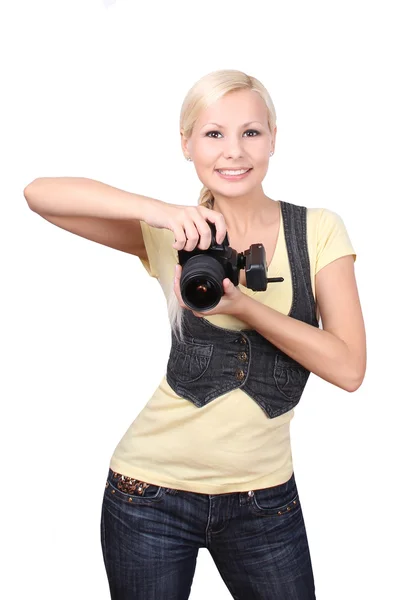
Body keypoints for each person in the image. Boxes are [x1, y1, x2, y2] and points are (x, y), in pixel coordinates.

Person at [24, 69, 366, 600]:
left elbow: (348, 368)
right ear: (186, 144)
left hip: (264, 500)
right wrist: (160, 213)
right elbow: (40, 194)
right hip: (149, 493)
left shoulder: (318, 229)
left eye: (251, 132)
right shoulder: (172, 234)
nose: (234, 151)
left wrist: (244, 306)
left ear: (274, 138)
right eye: (213, 134)